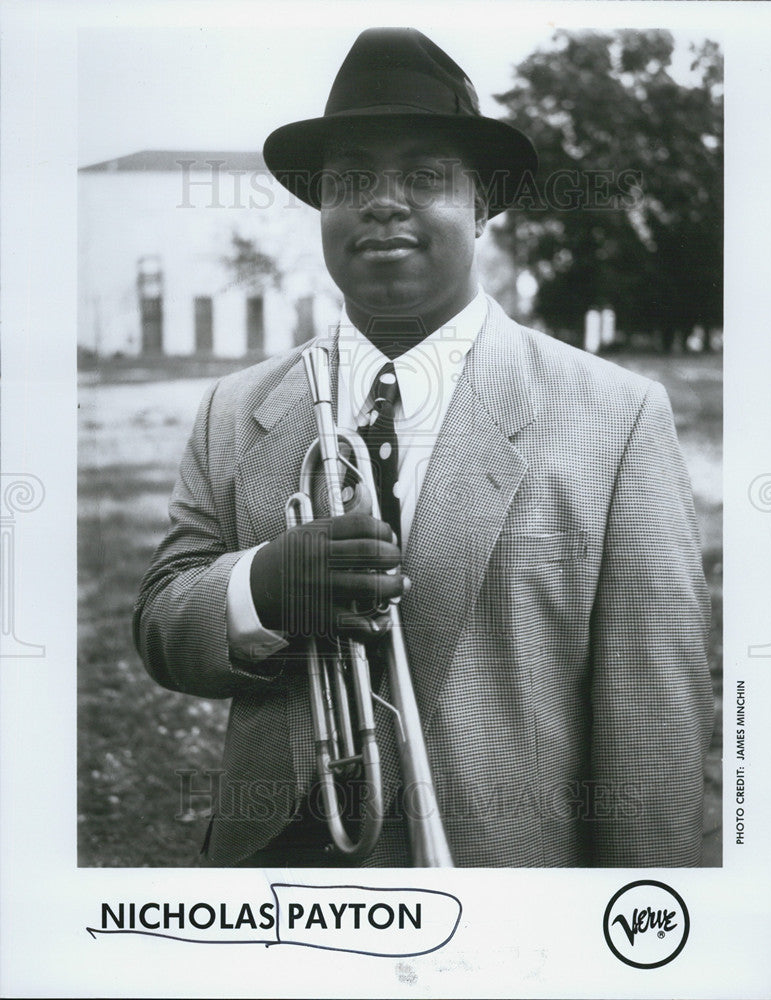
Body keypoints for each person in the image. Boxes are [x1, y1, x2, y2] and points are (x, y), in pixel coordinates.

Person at [133, 27, 714, 867]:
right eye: (350, 180)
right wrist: (260, 586)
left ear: (482, 205)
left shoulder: (617, 417)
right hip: (277, 893)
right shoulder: (236, 408)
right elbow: (159, 621)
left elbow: (654, 734)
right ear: (322, 210)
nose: (381, 201)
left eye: (425, 176)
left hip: (504, 911)